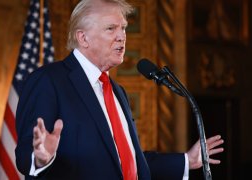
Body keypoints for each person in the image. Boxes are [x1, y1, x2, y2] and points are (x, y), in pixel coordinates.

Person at [15, 0, 224, 179]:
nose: (122, 36)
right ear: (83, 38)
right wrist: (41, 159)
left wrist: (187, 161)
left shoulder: (117, 91)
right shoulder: (48, 80)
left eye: (123, 28)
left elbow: (127, 161)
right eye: (111, 28)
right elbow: (26, 153)